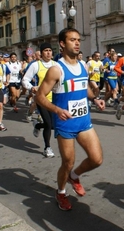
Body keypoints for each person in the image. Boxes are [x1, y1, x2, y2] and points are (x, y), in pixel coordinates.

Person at [35, 28, 104, 211]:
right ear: (62, 44)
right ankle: (61, 192)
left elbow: (83, 89)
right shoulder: (56, 70)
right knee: (67, 162)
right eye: (72, 40)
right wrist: (57, 110)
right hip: (65, 124)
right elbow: (40, 97)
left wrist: (95, 98)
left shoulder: (84, 66)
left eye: (78, 40)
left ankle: (74, 176)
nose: (77, 43)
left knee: (96, 159)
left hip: (84, 121)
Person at [22, 43, 56, 158]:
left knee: (53, 125)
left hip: (55, 99)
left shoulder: (56, 65)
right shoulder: (36, 65)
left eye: (50, 50)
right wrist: (31, 87)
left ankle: (37, 126)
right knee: (48, 123)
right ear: (41, 53)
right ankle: (47, 147)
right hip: (42, 98)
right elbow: (25, 79)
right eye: (45, 50)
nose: (48, 52)